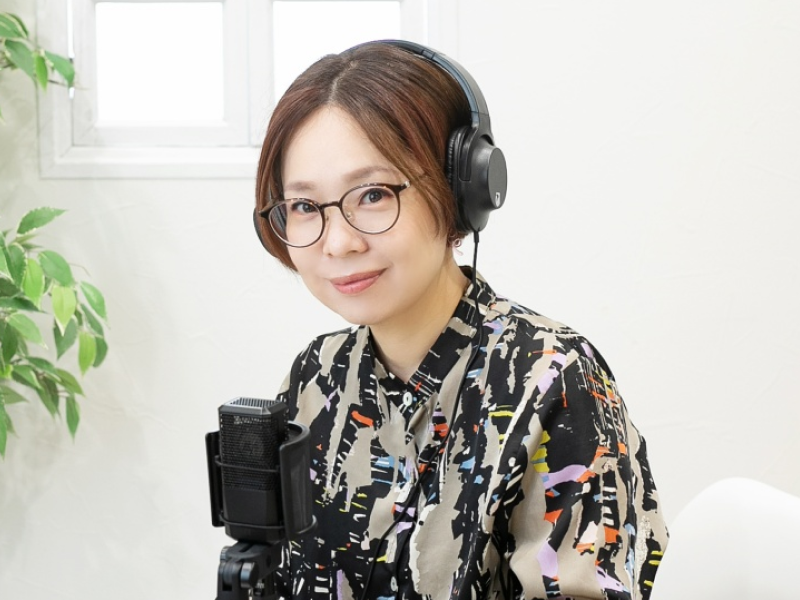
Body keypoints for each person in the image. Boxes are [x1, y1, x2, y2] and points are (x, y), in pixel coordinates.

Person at [254, 40, 668, 600]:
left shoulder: (552, 379)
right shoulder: (316, 376)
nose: (338, 242)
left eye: (373, 195)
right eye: (305, 206)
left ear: (459, 190)